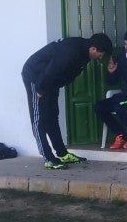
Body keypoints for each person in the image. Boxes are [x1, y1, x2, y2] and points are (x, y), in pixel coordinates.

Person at [21, 32, 113, 169]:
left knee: (52, 116)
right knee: (38, 118)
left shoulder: (85, 53)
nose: (101, 57)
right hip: (36, 77)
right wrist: (40, 90)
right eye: (101, 54)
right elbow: (51, 70)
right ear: (93, 48)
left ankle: (62, 154)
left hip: (51, 81)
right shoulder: (71, 52)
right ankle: (48, 158)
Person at [95, 29, 127, 151]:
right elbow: (112, 82)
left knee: (120, 107)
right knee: (99, 107)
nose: (125, 47)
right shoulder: (120, 57)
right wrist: (111, 72)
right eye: (125, 44)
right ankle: (121, 134)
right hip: (124, 94)